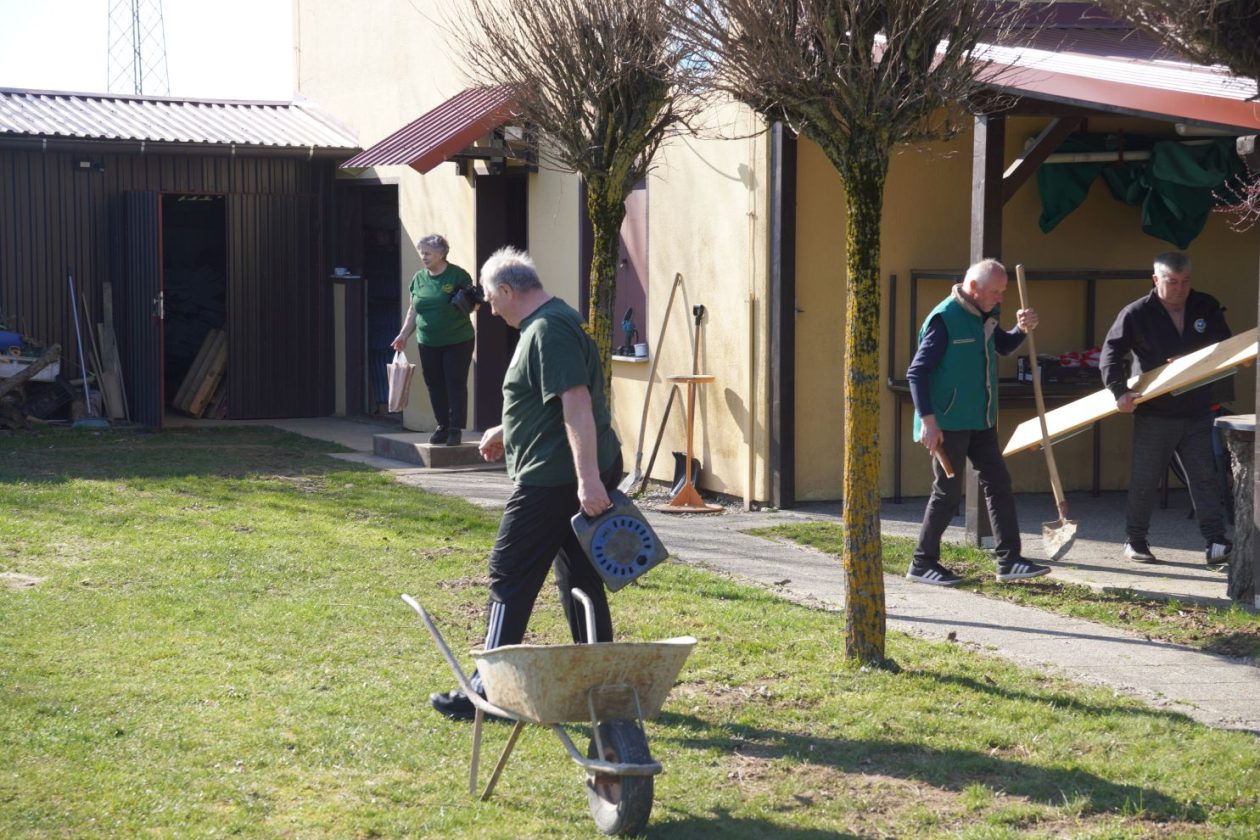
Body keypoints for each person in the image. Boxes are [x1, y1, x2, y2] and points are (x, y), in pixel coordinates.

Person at [430, 246, 623, 720]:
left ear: (507, 290)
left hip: (553, 481)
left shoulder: (548, 330)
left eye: (491, 301)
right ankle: (600, 685)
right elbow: (548, 400)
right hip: (561, 475)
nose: (489, 310)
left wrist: (588, 481)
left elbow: (576, 404)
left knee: (509, 573)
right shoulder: (550, 322)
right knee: (580, 577)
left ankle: (488, 694)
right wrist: (506, 428)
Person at [906, 259, 1052, 586]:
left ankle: (1009, 560)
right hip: (948, 422)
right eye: (996, 292)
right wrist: (928, 422)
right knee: (947, 493)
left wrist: (1021, 331)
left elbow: (1001, 346)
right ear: (973, 288)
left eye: (1002, 292)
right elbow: (917, 372)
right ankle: (922, 563)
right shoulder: (944, 320)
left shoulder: (984, 314)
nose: (1000, 299)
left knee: (999, 483)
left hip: (981, 419)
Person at [1100, 251, 1232, 568]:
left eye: (1186, 282)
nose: (1180, 289)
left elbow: (1224, 345)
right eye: (1172, 282)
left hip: (1198, 408)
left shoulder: (1206, 306)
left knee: (1205, 477)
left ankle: (1215, 541)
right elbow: (1110, 354)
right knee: (1145, 479)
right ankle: (1136, 541)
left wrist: (1190, 360)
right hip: (1155, 410)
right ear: (1156, 279)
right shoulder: (1136, 313)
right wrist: (1119, 392)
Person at [391, 234, 476, 446]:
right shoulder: (418, 278)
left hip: (458, 339)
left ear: (441, 254)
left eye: (428, 253)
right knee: (434, 384)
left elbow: (475, 305)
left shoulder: (458, 275)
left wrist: (467, 301)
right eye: (422, 252)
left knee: (454, 382)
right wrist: (403, 334)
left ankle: (455, 429)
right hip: (427, 341)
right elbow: (413, 310)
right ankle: (442, 426)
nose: (423, 256)